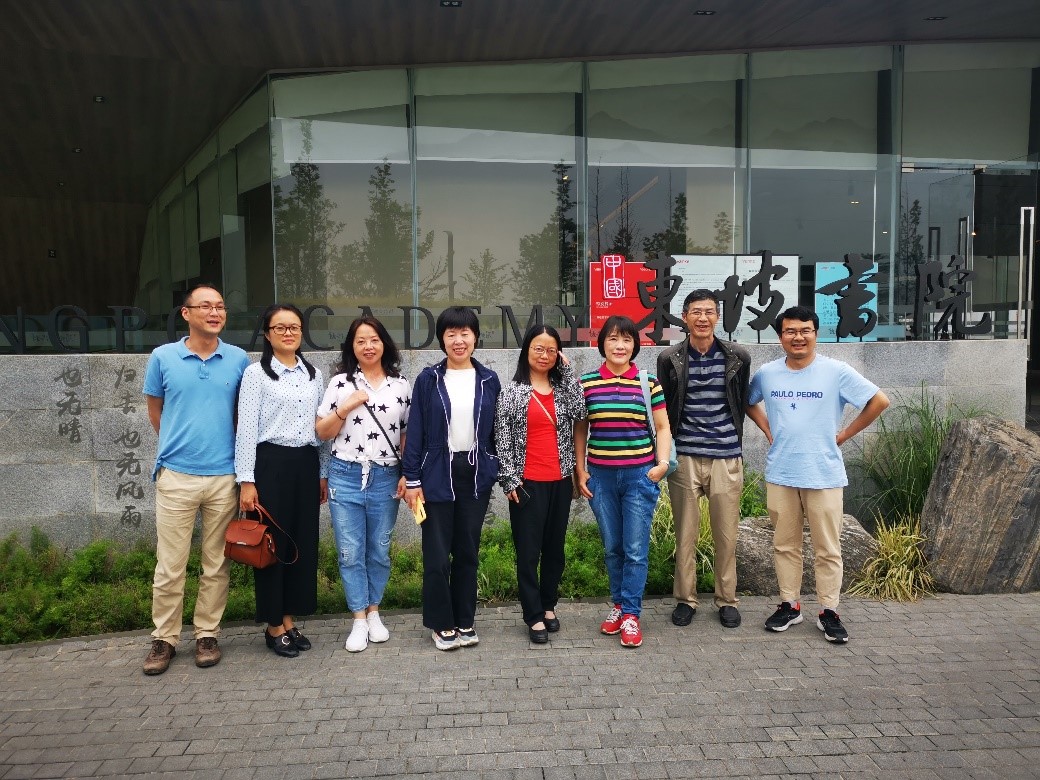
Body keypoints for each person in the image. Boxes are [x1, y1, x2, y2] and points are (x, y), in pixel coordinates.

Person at [746, 305, 890, 644]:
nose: (798, 337)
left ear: (815, 334)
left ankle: (829, 611)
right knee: (784, 544)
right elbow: (747, 401)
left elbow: (879, 401)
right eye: (790, 331)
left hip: (823, 472)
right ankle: (790, 605)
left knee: (828, 547)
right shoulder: (768, 373)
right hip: (782, 471)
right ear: (780, 337)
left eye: (805, 330)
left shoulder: (835, 371)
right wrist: (767, 428)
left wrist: (845, 434)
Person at [141, 284, 251, 675]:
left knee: (216, 564)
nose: (215, 312)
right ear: (186, 313)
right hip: (176, 476)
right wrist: (179, 448)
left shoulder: (238, 359)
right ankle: (164, 639)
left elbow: (242, 416)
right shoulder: (163, 357)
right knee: (170, 565)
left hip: (224, 476)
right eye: (205, 306)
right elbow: (156, 411)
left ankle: (207, 634)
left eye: (220, 306)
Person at [403, 306, 501, 651]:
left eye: (465, 333)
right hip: (435, 475)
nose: (459, 340)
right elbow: (415, 432)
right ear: (442, 339)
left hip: (474, 475)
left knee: (467, 552)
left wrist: (493, 466)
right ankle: (441, 623)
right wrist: (411, 480)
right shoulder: (428, 379)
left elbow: (496, 431)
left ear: (475, 337)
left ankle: (464, 620)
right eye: (451, 334)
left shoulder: (489, 379)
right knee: (436, 554)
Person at [235, 304, 329, 659]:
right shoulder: (256, 374)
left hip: (305, 464)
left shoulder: (313, 374)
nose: (288, 333)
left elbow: (321, 429)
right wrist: (246, 480)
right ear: (267, 333)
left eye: (294, 327)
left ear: (302, 332)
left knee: (300, 543)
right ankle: (273, 624)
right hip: (269, 465)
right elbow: (246, 429)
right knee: (271, 545)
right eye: (280, 327)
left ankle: (289, 618)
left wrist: (322, 473)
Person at [575, 315, 671, 649]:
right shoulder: (587, 383)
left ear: (635, 345)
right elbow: (580, 429)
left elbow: (663, 427)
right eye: (613, 339)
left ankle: (631, 614)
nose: (620, 346)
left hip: (638, 477)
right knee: (613, 547)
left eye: (627, 339)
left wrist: (661, 465)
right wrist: (580, 469)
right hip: (600, 478)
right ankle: (618, 605)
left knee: (635, 549)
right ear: (602, 343)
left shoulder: (648, 383)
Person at [657, 289, 751, 630]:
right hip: (685, 457)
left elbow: (741, 401)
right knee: (685, 534)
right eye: (696, 312)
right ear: (685, 317)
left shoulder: (737, 356)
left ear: (717, 317)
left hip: (725, 456)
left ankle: (727, 600)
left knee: (726, 535)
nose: (702, 318)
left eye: (709, 311)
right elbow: (665, 408)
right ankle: (686, 599)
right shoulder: (670, 358)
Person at [316, 317, 410, 653]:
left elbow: (407, 435)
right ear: (351, 347)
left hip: (386, 475)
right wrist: (345, 407)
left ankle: (374, 612)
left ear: (384, 343)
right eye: (360, 341)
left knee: (379, 549)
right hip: (345, 474)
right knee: (350, 551)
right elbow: (322, 432)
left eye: (374, 340)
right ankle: (358, 618)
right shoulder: (340, 383)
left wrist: (408, 473)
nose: (368, 346)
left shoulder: (401, 385)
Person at [494, 325, 587, 643]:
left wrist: (568, 372)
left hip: (560, 481)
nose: (544, 355)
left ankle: (548, 606)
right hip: (527, 484)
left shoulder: (562, 389)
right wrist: (509, 479)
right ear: (526, 351)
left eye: (551, 350)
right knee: (528, 553)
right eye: (538, 348)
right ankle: (532, 615)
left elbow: (581, 412)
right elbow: (502, 438)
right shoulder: (512, 391)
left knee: (554, 551)